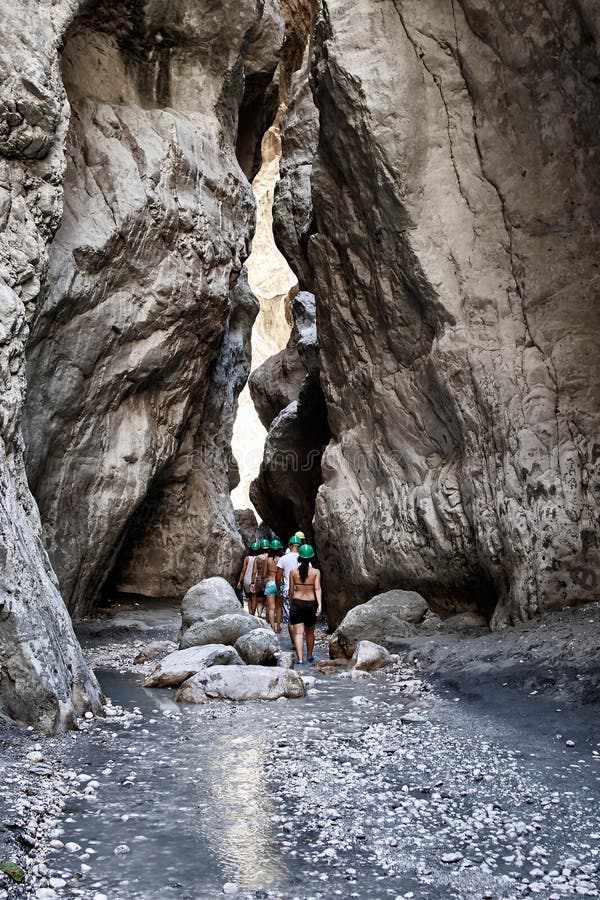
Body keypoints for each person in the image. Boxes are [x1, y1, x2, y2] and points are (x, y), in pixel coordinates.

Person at [289, 544, 321, 664]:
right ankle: (309, 656)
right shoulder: (316, 572)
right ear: (311, 557)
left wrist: (292, 603)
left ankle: (300, 659)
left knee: (298, 632)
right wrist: (320, 605)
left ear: (300, 557)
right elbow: (317, 589)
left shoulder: (293, 572)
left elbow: (291, 591)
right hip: (311, 604)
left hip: (297, 603)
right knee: (310, 632)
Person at [276, 535, 301, 640]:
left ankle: (294, 643)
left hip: (287, 590)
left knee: (291, 618)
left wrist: (278, 589)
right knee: (300, 618)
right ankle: (299, 639)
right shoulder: (304, 558)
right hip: (301, 591)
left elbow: (278, 576)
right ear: (299, 546)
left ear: (289, 546)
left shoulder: (283, 559)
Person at [262, 539, 283, 631]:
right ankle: (278, 626)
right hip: (280, 584)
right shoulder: (282, 559)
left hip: (270, 583)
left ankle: (272, 627)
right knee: (279, 607)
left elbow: (264, 573)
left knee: (271, 608)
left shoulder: (267, 559)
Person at [238, 541, 260, 613]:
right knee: (254, 597)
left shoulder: (247, 558)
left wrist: (239, 581)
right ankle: (253, 613)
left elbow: (243, 570)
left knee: (249, 598)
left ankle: (250, 612)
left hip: (246, 579)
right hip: (255, 579)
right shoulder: (259, 558)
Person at [251, 539, 271, 618]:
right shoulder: (270, 558)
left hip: (259, 579)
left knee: (259, 599)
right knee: (268, 600)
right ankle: (268, 618)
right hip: (269, 579)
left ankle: (258, 615)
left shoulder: (257, 558)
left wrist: (252, 582)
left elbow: (254, 571)